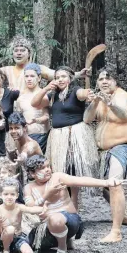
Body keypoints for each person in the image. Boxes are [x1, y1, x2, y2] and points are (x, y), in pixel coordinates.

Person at [23, 155, 125, 253]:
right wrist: (47, 194)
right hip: (45, 227)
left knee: (55, 219)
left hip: (69, 220)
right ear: (33, 173)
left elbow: (80, 180)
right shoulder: (28, 188)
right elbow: (30, 207)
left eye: (48, 166)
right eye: (42, 168)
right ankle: (65, 238)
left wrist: (105, 183)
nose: (47, 169)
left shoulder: (57, 178)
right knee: (28, 244)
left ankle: (62, 249)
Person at [31, 66, 99, 210]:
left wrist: (88, 94)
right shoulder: (53, 95)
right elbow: (35, 103)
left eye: (63, 76)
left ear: (70, 79)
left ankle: (74, 207)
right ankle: (66, 206)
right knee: (61, 171)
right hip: (57, 137)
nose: (60, 79)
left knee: (73, 170)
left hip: (74, 135)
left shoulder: (75, 91)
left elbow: (83, 94)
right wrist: (46, 88)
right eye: (57, 77)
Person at [83, 69, 127, 243]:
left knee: (114, 183)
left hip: (122, 145)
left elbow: (122, 112)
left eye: (108, 78)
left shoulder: (121, 95)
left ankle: (116, 232)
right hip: (104, 150)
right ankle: (124, 216)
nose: (104, 81)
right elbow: (86, 119)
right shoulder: (100, 99)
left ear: (115, 81)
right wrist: (94, 103)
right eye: (101, 79)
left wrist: (110, 102)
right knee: (106, 186)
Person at [0, 177, 46, 253]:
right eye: (6, 194)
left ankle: (18, 252)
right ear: (0, 195)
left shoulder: (19, 207)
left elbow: (31, 209)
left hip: (18, 238)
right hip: (3, 239)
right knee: (10, 229)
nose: (9, 197)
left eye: (12, 194)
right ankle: (6, 250)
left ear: (17, 195)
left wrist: (45, 208)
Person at [16, 63, 50, 153]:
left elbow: (46, 116)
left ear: (38, 78)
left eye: (32, 76)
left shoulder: (44, 95)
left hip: (41, 135)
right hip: (25, 136)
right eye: (26, 76)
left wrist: (36, 120)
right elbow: (18, 118)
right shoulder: (21, 97)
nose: (29, 79)